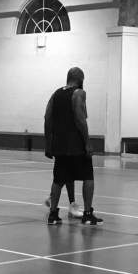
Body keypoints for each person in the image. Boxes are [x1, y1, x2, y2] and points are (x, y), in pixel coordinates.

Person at [44, 67, 103, 225]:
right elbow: (79, 118)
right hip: (76, 145)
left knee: (58, 180)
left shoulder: (55, 94)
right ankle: (88, 214)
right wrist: (87, 142)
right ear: (81, 79)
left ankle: (53, 215)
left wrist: (48, 143)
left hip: (60, 145)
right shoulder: (79, 93)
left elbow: (47, 118)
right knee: (88, 177)